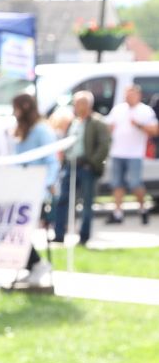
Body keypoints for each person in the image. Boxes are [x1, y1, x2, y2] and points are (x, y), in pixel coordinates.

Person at [11, 93, 60, 285]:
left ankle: (36, 264)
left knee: (20, 229)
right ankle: (32, 265)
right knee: (16, 229)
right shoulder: (23, 130)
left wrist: (46, 184)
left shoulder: (41, 130)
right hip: (22, 188)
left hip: (36, 191)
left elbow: (52, 161)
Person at [53, 91, 111, 247]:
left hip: (86, 167)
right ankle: (59, 234)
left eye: (80, 103)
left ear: (88, 104)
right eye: (76, 103)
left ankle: (84, 237)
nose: (77, 106)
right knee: (63, 199)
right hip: (70, 166)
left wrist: (92, 163)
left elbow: (104, 145)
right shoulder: (73, 122)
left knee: (86, 203)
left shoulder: (97, 122)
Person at [104, 84, 157, 224]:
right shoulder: (118, 109)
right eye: (127, 94)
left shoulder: (145, 111)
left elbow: (155, 130)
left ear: (138, 95)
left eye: (131, 94)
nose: (128, 97)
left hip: (135, 154)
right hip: (117, 152)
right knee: (117, 184)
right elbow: (108, 126)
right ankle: (117, 213)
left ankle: (142, 209)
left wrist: (138, 125)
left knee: (135, 184)